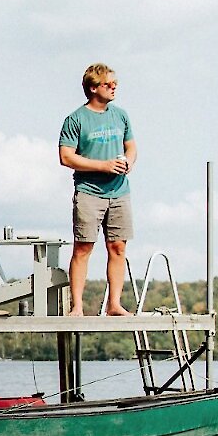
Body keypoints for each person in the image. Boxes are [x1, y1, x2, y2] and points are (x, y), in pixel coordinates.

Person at [57, 62, 136, 316]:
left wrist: (128, 162)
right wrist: (102, 166)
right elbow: (66, 157)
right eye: (108, 84)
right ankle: (77, 306)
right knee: (83, 247)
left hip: (119, 192)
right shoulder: (75, 119)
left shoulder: (121, 115)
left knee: (118, 247)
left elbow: (131, 147)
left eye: (115, 83)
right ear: (93, 88)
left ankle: (114, 304)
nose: (114, 87)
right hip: (89, 192)